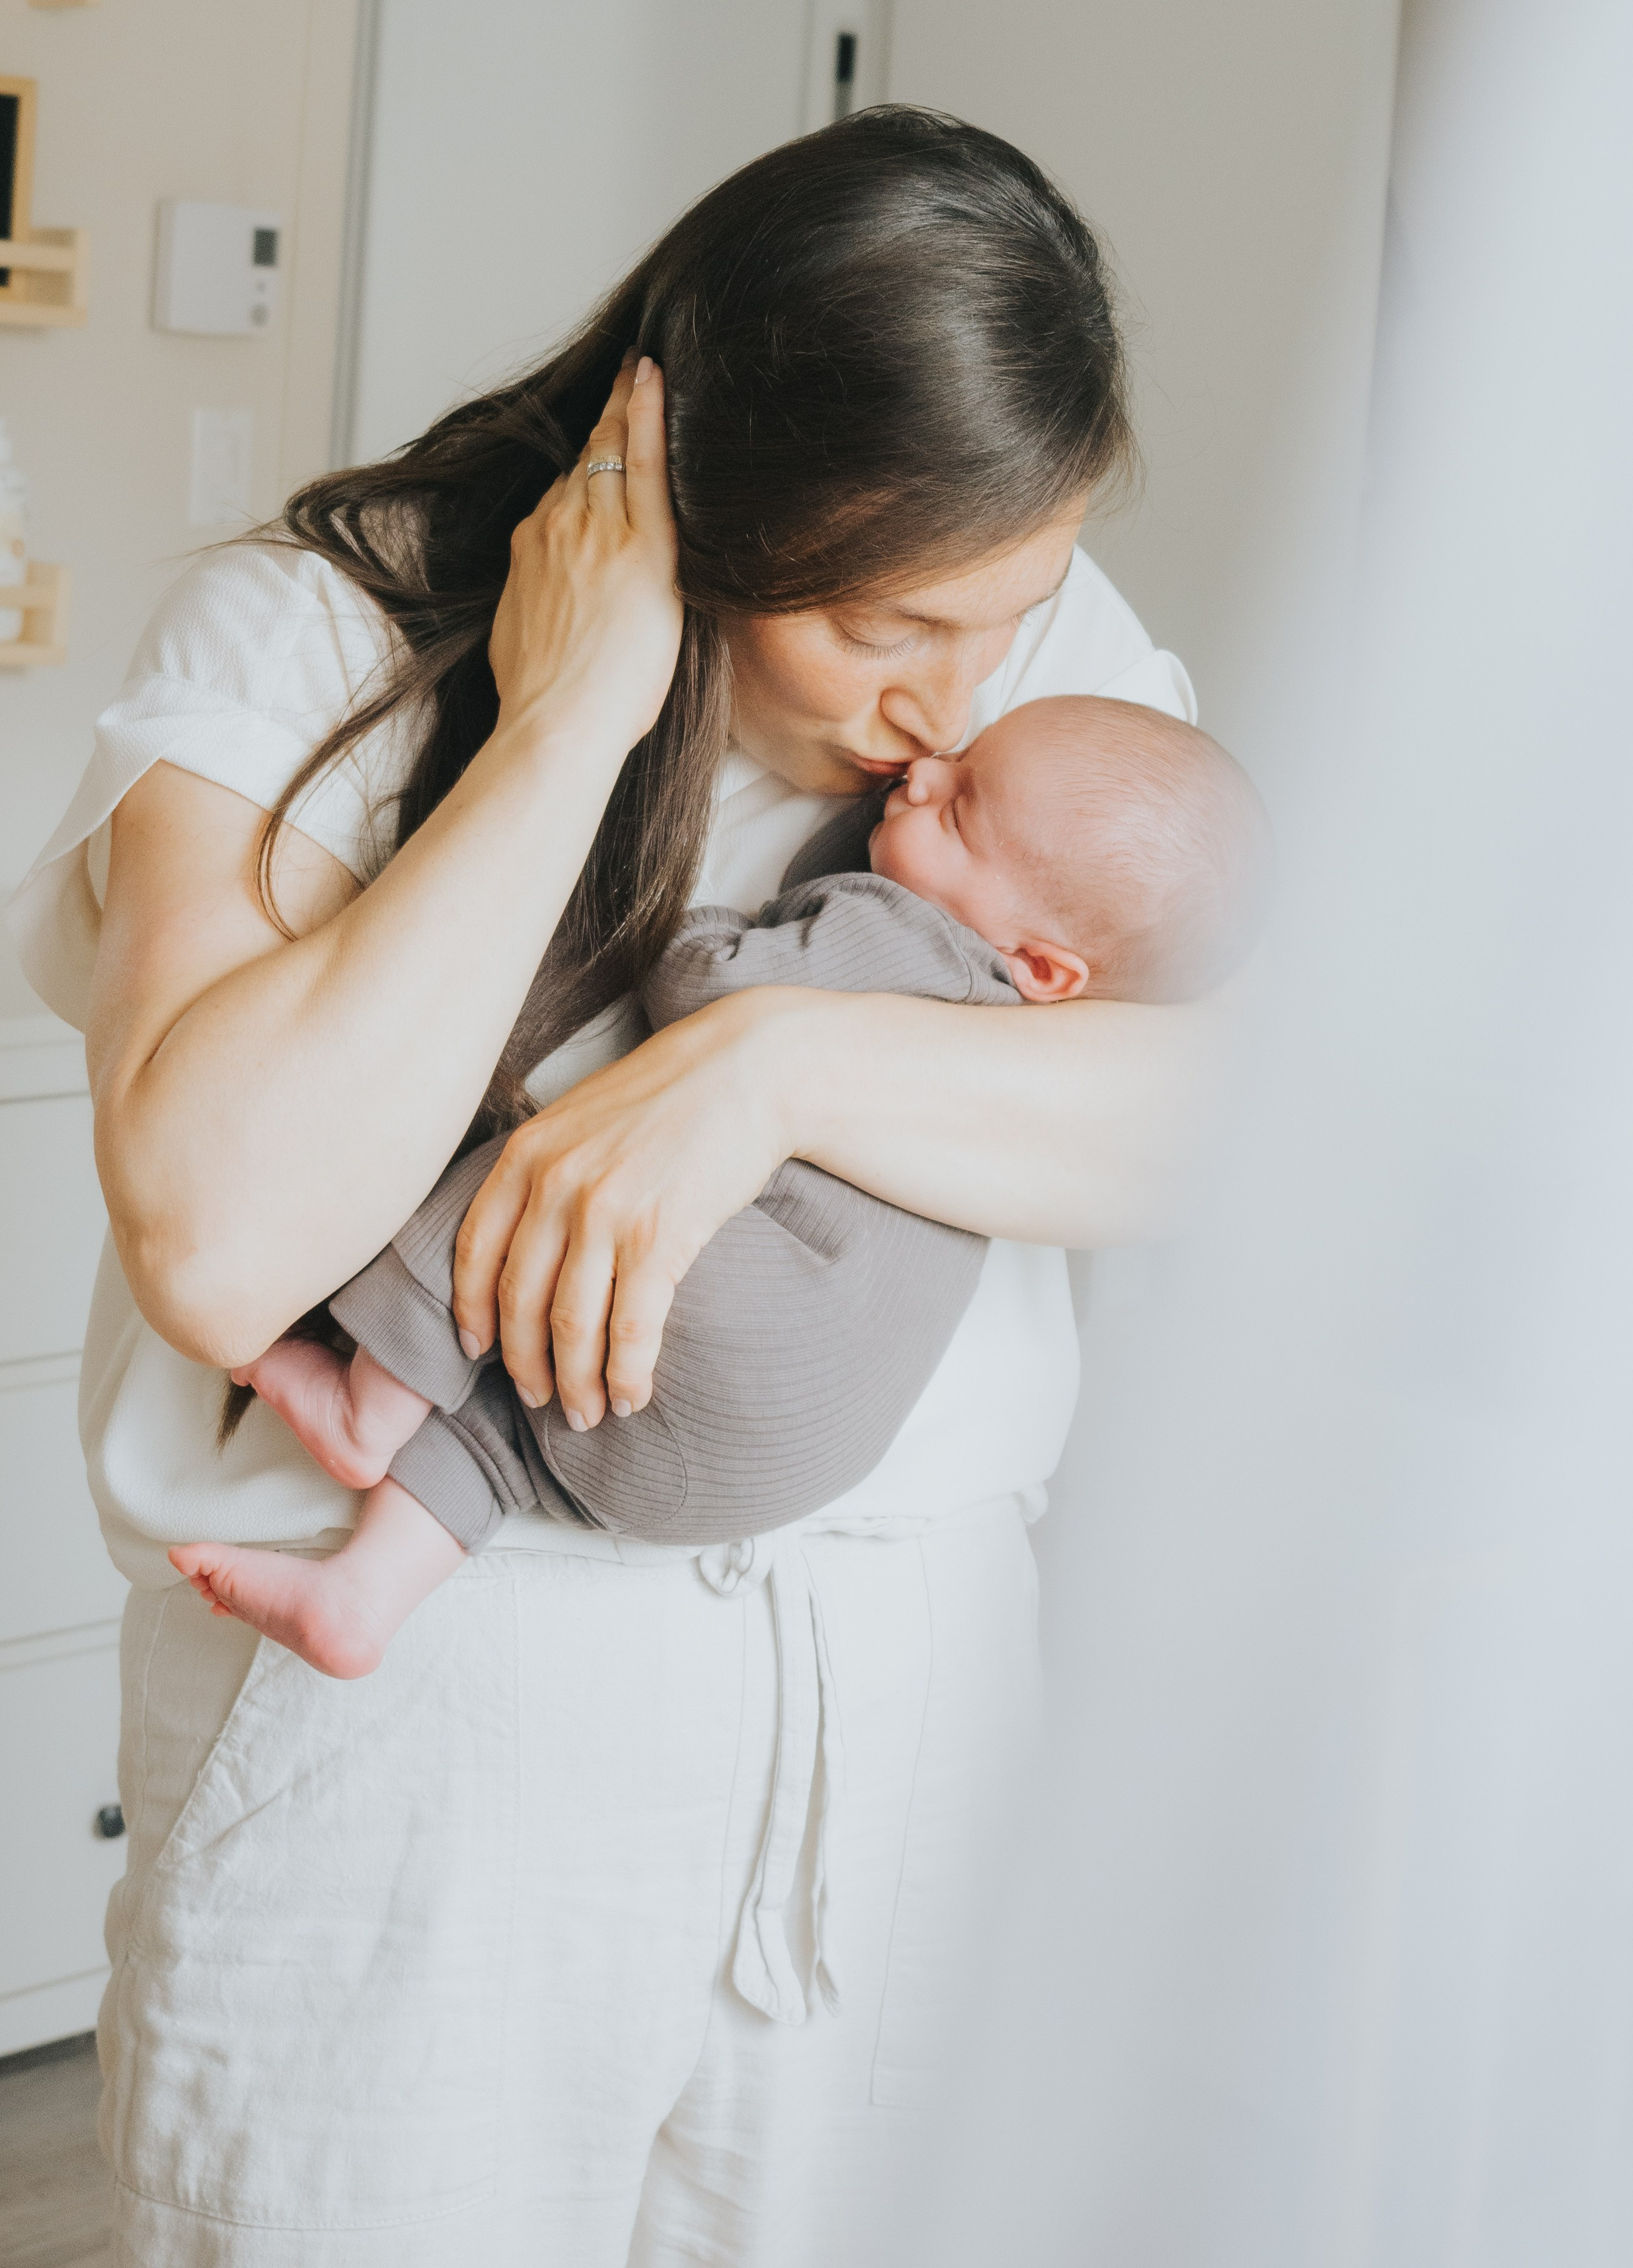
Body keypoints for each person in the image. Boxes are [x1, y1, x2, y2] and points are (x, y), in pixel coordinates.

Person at [9, 107, 1227, 2267]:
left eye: (1007, 617)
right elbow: (220, 1231)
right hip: (439, 1731)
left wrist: (774, 1059)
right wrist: (572, 720)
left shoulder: (1029, 649)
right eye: (887, 625)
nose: (953, 703)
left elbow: (1237, 1107)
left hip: (909, 1715)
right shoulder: (314, 636)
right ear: (716, 494)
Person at [169, 695, 1269, 1681]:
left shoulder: (904, 936)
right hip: (778, 1457)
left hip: (741, 1338)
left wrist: (695, 919)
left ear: (1040, 966)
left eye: (962, 808)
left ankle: (369, 1403)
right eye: (963, 755)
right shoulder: (1038, 1053)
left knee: (537, 1179)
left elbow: (707, 986)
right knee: (521, 1411)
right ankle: (363, 1598)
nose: (927, 770)